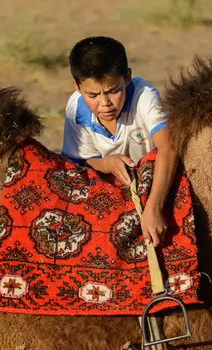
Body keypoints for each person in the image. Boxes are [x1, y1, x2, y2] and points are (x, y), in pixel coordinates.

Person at [61, 36, 178, 247]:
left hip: (156, 185)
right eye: (93, 94)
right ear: (77, 86)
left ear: (127, 77)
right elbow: (76, 163)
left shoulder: (144, 97)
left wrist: (155, 207)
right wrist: (105, 164)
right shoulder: (76, 109)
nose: (104, 103)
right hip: (113, 192)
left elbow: (168, 147)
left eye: (113, 91)